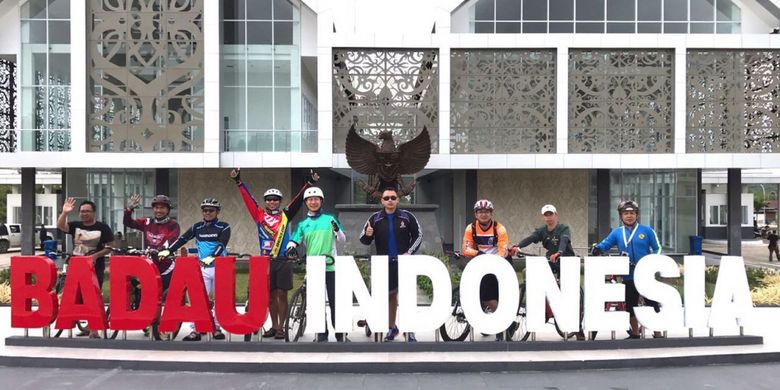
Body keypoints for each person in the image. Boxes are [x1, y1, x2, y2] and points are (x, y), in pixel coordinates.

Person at [229, 168, 318, 339]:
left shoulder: (285, 215)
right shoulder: (259, 215)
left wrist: (309, 184)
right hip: (266, 260)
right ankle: (274, 325)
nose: (272, 202)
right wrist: (238, 182)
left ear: (279, 202)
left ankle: (281, 328)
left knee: (282, 294)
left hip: (283, 259)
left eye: (275, 200)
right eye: (269, 200)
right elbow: (248, 200)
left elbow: (298, 200)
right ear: (265, 202)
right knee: (269, 296)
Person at [591, 200, 662, 339]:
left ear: (637, 215)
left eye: (632, 213)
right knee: (630, 303)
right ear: (621, 216)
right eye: (626, 213)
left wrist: (652, 262)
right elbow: (605, 244)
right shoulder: (617, 233)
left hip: (645, 273)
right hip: (628, 274)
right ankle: (635, 333)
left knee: (651, 302)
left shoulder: (647, 231)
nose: (629, 216)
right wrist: (597, 248)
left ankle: (657, 332)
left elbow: (657, 248)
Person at [359, 187, 422, 342]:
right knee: (389, 296)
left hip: (404, 261)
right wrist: (368, 235)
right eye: (386, 198)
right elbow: (364, 239)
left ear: (398, 200)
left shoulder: (407, 217)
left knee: (407, 296)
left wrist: (409, 252)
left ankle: (409, 330)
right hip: (384, 263)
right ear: (382, 201)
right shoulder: (375, 218)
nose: (390, 200)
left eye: (393, 197)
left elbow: (418, 235)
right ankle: (391, 328)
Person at [512, 204, 583, 340]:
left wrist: (559, 252)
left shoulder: (563, 228)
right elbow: (531, 238)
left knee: (569, 293)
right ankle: (541, 305)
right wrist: (518, 246)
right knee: (528, 271)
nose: (549, 217)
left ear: (556, 215)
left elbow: (564, 240)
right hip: (550, 260)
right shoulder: (542, 231)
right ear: (543, 217)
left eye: (551, 214)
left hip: (565, 261)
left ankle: (578, 329)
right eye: (546, 215)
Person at [164, 198, 230, 341]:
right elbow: (182, 239)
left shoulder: (224, 227)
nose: (207, 213)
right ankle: (196, 330)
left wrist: (213, 256)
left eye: (211, 210)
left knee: (220, 300)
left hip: (220, 267)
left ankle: (216, 328)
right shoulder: (197, 227)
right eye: (205, 210)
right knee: (198, 300)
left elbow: (222, 244)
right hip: (203, 268)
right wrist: (169, 250)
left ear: (217, 212)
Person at [286, 187, 346, 342]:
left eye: (316, 199)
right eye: (310, 200)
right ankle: (322, 334)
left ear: (321, 201)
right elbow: (294, 240)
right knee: (317, 303)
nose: (313, 202)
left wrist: (337, 230)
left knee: (335, 302)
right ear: (306, 203)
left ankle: (340, 335)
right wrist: (291, 247)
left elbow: (342, 239)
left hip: (331, 267)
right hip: (313, 267)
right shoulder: (303, 224)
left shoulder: (330, 219)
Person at [56, 198, 115, 339]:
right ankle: (84, 325)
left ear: (94, 213)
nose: (84, 214)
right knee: (77, 296)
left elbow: (111, 246)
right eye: (82, 211)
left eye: (88, 211)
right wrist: (64, 212)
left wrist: (96, 256)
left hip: (95, 267)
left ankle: (93, 328)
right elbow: (60, 226)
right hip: (76, 266)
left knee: (93, 296)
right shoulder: (75, 225)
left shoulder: (103, 227)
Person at [461, 199, 509, 341]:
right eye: (480, 212)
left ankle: (503, 327)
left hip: (499, 262)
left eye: (487, 212)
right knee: (478, 292)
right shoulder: (471, 228)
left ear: (491, 213)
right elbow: (466, 248)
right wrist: (479, 254)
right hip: (481, 260)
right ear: (475, 214)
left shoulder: (499, 228)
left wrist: (492, 260)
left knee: (489, 296)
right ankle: (487, 321)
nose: (483, 214)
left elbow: (503, 251)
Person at [123, 194, 180, 291]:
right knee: (144, 293)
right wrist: (129, 209)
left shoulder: (173, 225)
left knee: (162, 296)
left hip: (166, 267)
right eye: (156, 208)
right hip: (150, 266)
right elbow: (128, 223)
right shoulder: (147, 222)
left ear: (168, 210)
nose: (159, 210)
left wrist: (160, 249)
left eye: (162, 208)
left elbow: (171, 241)